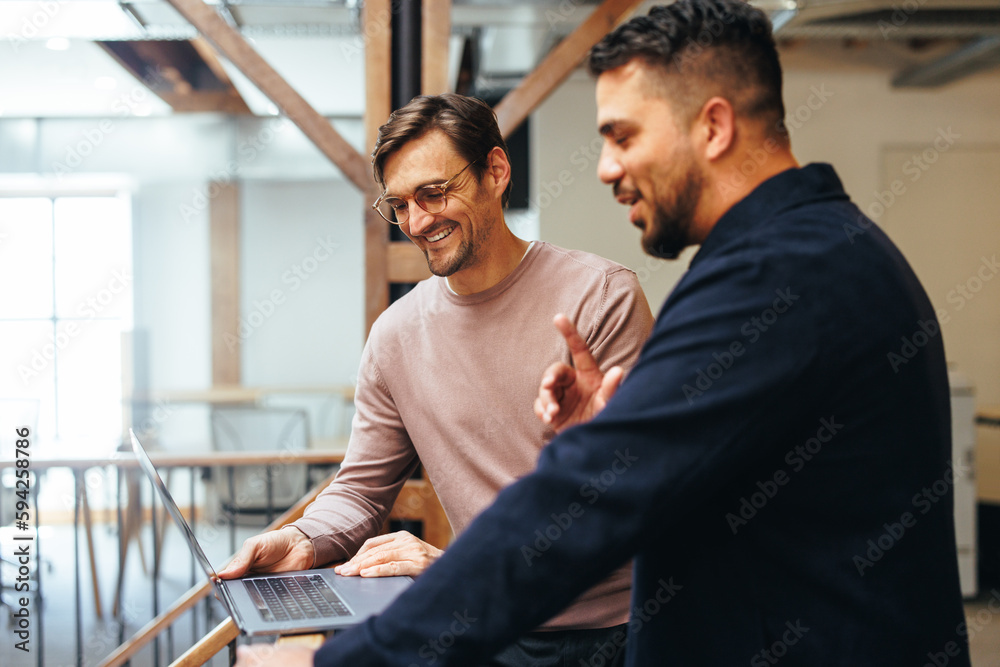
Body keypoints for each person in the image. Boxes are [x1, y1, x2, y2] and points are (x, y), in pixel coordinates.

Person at [237, 1, 970, 665]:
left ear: (712, 126)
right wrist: (611, 441)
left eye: (621, 136)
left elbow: (587, 503)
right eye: (402, 204)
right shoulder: (816, 247)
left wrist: (333, 662)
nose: (605, 168)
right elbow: (670, 479)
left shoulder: (774, 276)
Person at [219, 93, 654, 666]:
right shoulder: (396, 333)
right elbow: (360, 488)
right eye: (398, 205)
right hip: (485, 622)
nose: (417, 223)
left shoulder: (600, 296)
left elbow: (634, 498)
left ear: (495, 172)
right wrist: (302, 539)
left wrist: (453, 569)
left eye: (434, 193)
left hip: (614, 630)